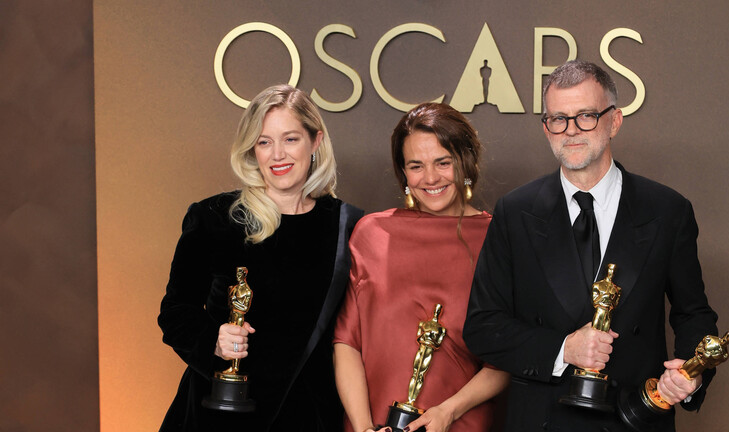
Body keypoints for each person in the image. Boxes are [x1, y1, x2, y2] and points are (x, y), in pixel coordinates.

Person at [463, 60, 719, 431]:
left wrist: (692, 374)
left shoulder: (667, 210)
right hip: (542, 418)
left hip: (633, 416)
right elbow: (483, 327)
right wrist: (563, 348)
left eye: (586, 116)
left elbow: (693, 314)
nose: (571, 131)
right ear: (546, 128)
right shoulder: (515, 212)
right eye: (558, 119)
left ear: (614, 121)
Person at [157, 84, 363, 431]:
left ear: (315, 141)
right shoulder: (214, 216)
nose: (277, 154)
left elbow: (357, 335)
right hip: (221, 412)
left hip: (308, 415)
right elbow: (175, 311)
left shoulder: (348, 225)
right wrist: (214, 342)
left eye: (291, 139)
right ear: (253, 150)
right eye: (264, 141)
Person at [334, 103, 509, 432]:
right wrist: (361, 428)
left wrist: (449, 411)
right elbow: (347, 342)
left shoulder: (498, 238)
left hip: (462, 423)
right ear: (403, 174)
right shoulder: (372, 234)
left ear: (465, 162)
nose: (430, 178)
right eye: (416, 166)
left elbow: (509, 357)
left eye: (443, 162)